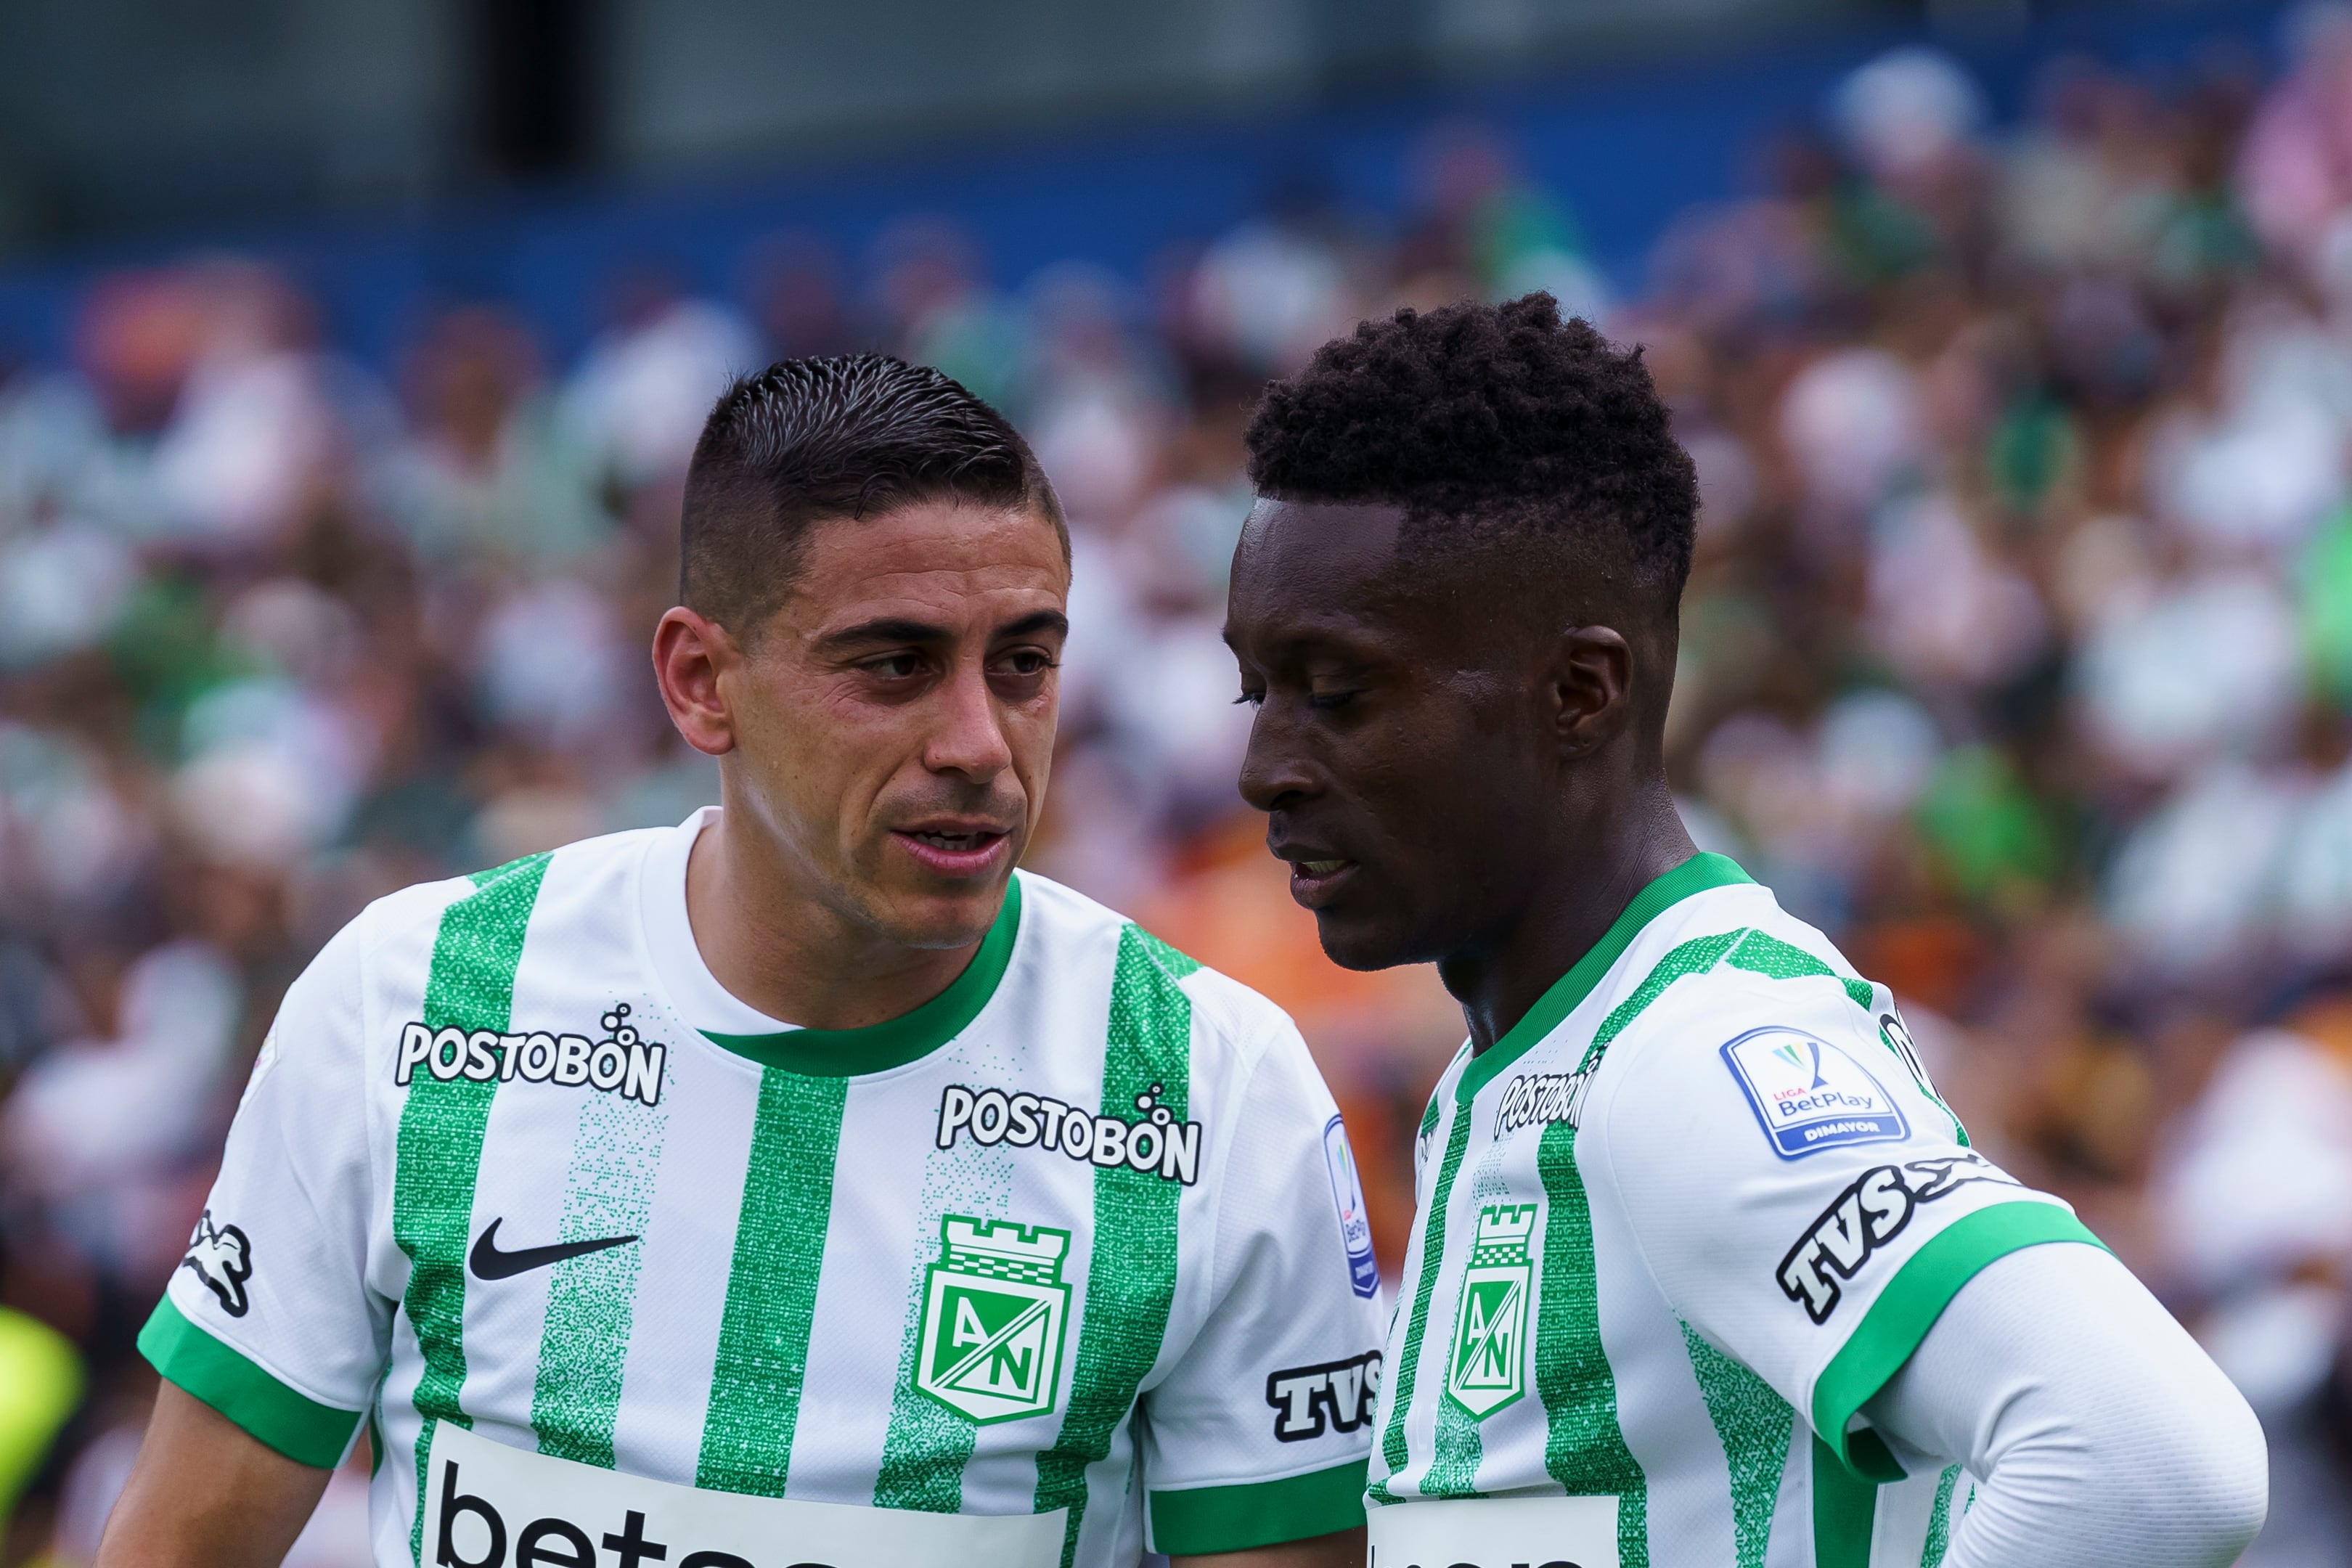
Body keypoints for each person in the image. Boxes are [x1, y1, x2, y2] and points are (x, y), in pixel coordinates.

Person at [99, 355, 1382, 1568]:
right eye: (896, 666)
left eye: (1024, 665)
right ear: (702, 680)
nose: (981, 744)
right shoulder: (410, 1000)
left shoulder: (1215, 1086)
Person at [1222, 293, 2271, 1567]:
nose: (1265, 765)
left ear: (1578, 693)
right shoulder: (1528, 1068)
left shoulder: (1691, 1059)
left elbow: (2151, 1460)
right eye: (1257, 690)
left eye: (1336, 694)